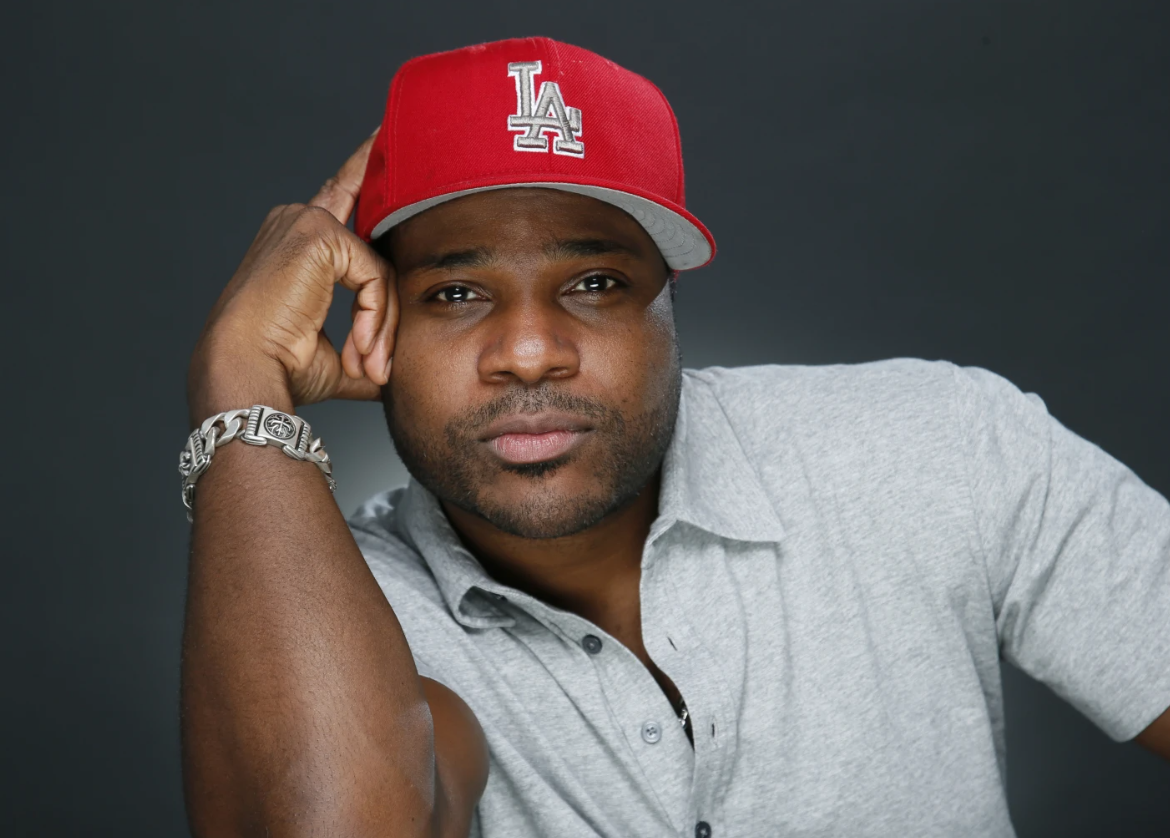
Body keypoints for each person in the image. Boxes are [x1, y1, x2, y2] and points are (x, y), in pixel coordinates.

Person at [179, 36, 1170, 838]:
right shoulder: (338, 612)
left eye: (595, 283)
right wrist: (239, 377)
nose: (529, 351)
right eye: (457, 290)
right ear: (374, 322)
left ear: (669, 304)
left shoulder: (936, 448)